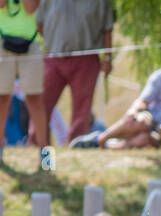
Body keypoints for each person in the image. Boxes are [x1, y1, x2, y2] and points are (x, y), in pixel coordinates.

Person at [37, 0, 112, 142]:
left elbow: (107, 29)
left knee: (81, 111)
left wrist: (108, 58)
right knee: (41, 103)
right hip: (54, 57)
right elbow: (40, 24)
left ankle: (76, 144)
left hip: (86, 58)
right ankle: (39, 145)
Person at [0, 0, 46, 152]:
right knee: (2, 99)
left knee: (34, 99)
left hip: (31, 44)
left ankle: (45, 153)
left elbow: (30, 8)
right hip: (2, 42)